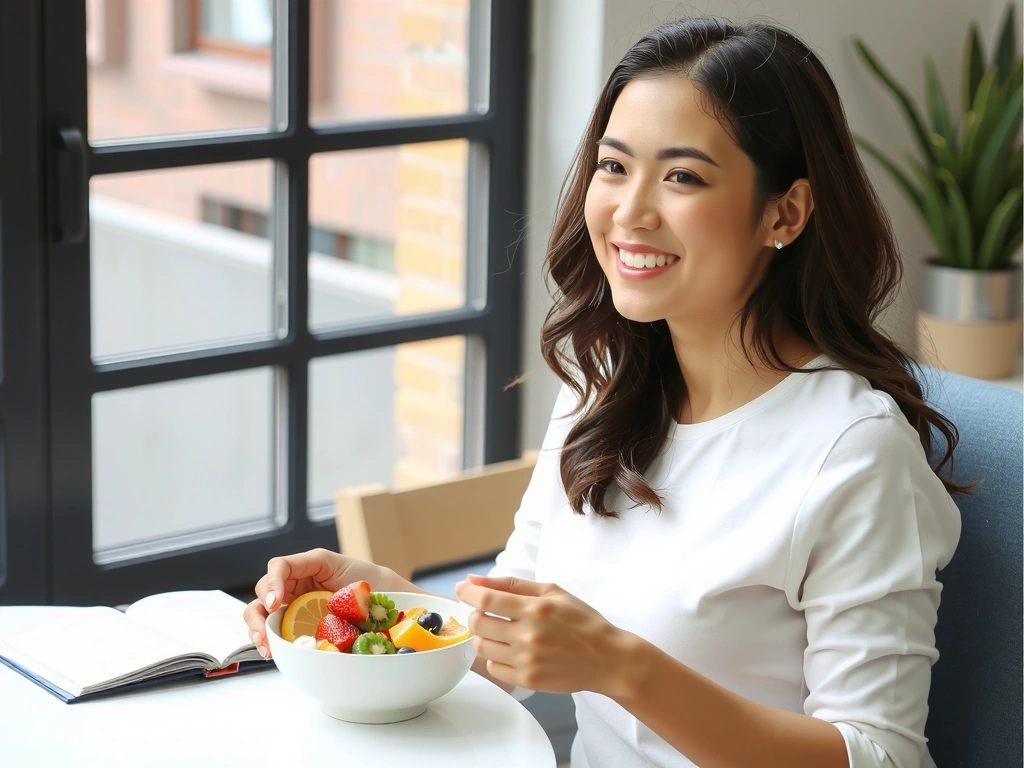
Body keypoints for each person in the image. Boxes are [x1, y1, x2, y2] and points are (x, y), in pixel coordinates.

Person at [243, 17, 966, 768]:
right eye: (615, 167)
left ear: (784, 212)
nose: (630, 211)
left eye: (683, 176)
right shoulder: (604, 383)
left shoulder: (855, 454)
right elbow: (511, 640)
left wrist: (624, 669)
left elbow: (881, 756)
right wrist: (386, 599)